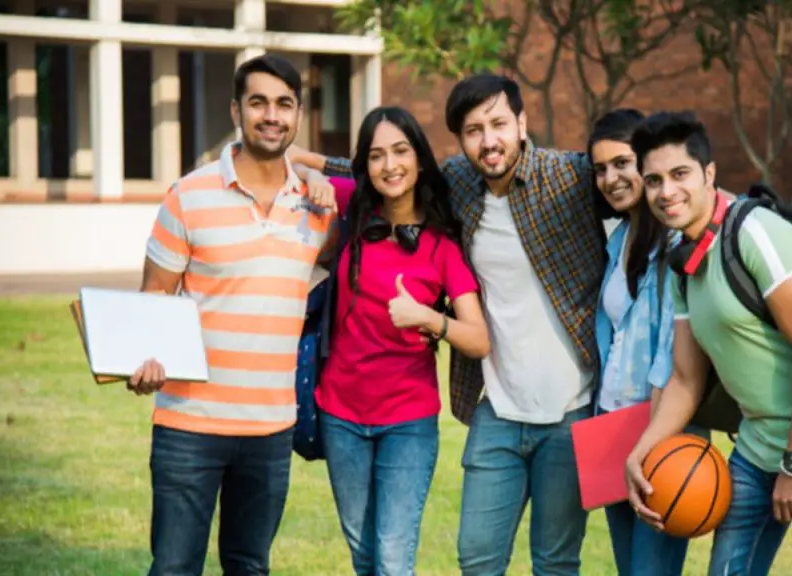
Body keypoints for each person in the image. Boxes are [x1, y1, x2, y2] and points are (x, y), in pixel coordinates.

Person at [290, 73, 608, 575]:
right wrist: (309, 171)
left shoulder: (567, 177)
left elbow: (633, 176)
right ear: (459, 140)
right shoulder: (458, 184)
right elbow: (376, 169)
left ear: (522, 124)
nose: (489, 140)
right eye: (474, 129)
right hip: (495, 407)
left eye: (499, 124)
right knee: (474, 558)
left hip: (573, 407)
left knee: (555, 560)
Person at [623, 111, 792, 576]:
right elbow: (684, 378)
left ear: (709, 174)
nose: (666, 191)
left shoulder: (757, 233)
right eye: (653, 180)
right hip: (755, 451)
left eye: (680, 174)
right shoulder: (685, 260)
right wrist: (641, 451)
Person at [127, 54, 338, 575]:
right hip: (189, 424)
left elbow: (384, 177)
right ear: (236, 110)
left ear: (298, 115)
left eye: (284, 104)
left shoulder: (317, 206)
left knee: (250, 565)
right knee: (175, 566)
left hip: (271, 429)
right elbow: (152, 298)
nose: (272, 115)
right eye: (259, 102)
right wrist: (144, 361)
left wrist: (318, 173)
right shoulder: (188, 196)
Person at [315, 105, 490, 575]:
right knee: (364, 555)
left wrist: (430, 319)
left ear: (418, 159)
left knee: (393, 559)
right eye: (376, 156)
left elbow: (478, 338)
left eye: (400, 151)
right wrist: (308, 170)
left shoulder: (442, 247)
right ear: (365, 166)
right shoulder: (352, 211)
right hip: (340, 415)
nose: (389, 166)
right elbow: (286, 161)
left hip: (407, 423)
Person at [588, 108, 707, 575]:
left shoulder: (679, 244)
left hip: (663, 430)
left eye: (621, 163)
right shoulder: (618, 240)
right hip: (611, 427)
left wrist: (651, 438)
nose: (610, 178)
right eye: (600, 169)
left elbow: (675, 358)